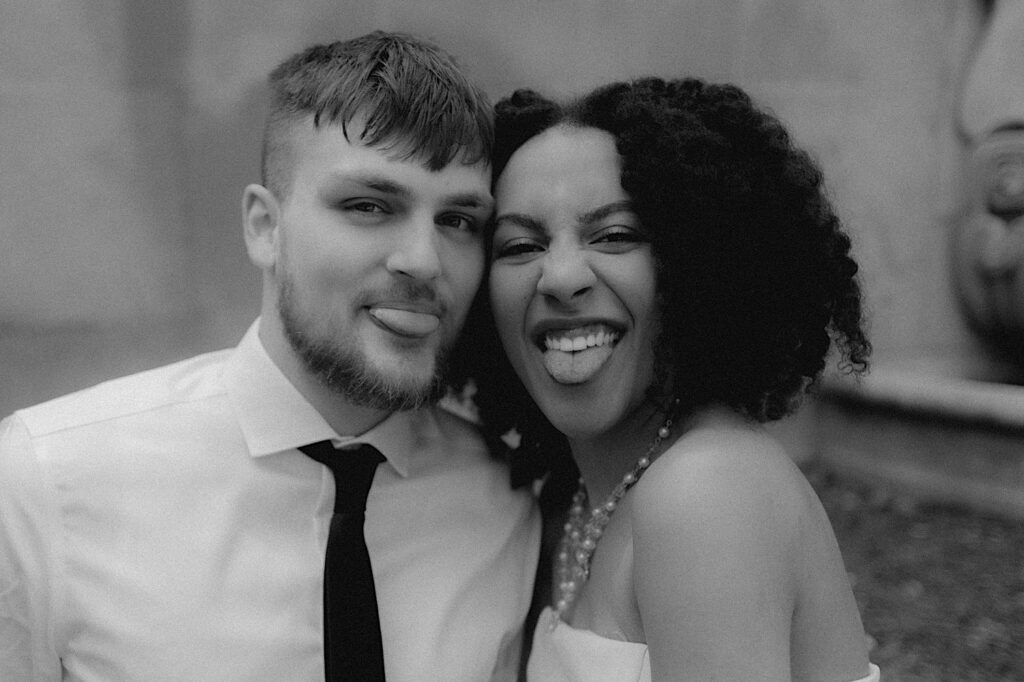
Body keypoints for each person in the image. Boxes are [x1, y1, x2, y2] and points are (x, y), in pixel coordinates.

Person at [0, 31, 540, 682]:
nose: (423, 261)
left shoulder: (507, 501)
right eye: (369, 206)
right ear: (264, 227)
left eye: (458, 221)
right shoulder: (45, 483)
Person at [464, 77, 880, 680]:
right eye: (520, 244)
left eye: (614, 236)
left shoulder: (705, 490)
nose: (559, 277)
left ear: (699, 265)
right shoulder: (576, 498)